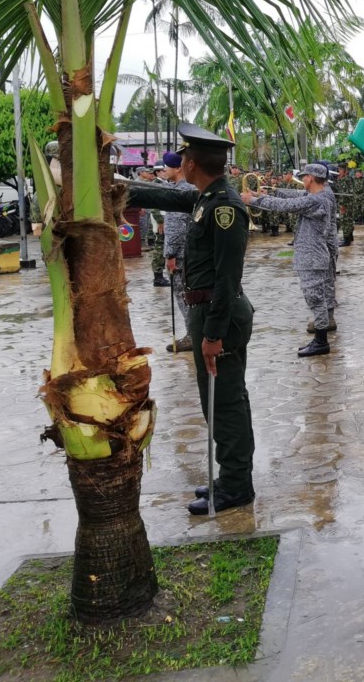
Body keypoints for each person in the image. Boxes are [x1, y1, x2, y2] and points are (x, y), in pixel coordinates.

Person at [126, 122, 255, 515]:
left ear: (193, 163)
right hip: (206, 312)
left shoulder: (225, 209)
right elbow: (166, 195)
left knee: (225, 402)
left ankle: (235, 486)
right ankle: (230, 477)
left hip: (220, 315)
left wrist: (213, 334)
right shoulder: (204, 199)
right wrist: (121, 191)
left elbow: (227, 278)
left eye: (183, 157)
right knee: (216, 401)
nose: (180, 162)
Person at [244, 163, 337, 356]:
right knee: (314, 297)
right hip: (310, 256)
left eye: (304, 177)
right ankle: (320, 339)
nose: (302, 180)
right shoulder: (315, 197)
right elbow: (293, 197)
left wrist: (254, 200)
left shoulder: (318, 200)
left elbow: (287, 206)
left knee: (315, 298)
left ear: (310, 178)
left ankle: (321, 342)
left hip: (313, 257)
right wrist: (265, 194)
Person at [159, 151, 196, 353]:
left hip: (180, 254)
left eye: (167, 166)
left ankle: (192, 335)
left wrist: (170, 255)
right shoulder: (189, 188)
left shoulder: (178, 193)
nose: (164, 170)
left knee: (183, 295)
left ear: (178, 168)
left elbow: (175, 227)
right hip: (192, 252)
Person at [335, 163, 356, 245]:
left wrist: (342, 206)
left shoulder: (345, 179)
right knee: (349, 220)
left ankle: (347, 240)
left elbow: (344, 194)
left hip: (346, 204)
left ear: (344, 171)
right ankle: (349, 237)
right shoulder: (345, 178)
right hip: (349, 203)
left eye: (340, 170)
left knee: (345, 221)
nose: (338, 171)